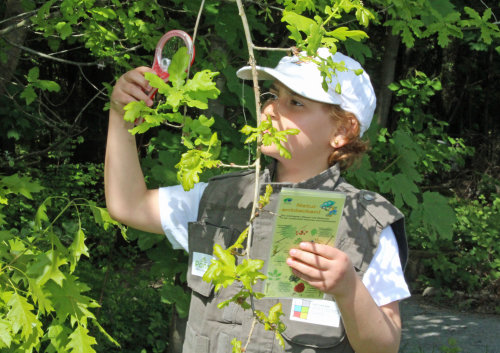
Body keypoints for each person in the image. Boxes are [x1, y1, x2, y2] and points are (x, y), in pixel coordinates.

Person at [105, 47, 411, 353]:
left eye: (296, 102)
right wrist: (121, 116)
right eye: (273, 94)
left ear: (342, 130)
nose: (271, 109)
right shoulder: (219, 199)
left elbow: (383, 347)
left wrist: (348, 289)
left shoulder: (367, 224)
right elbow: (128, 205)